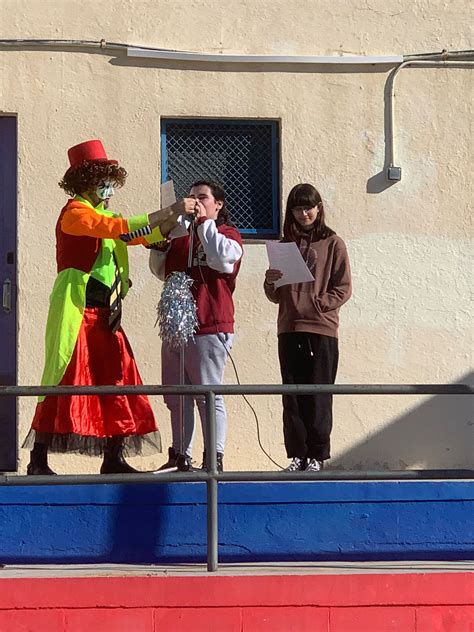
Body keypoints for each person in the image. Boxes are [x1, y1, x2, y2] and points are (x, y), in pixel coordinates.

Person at [24, 139, 196, 475]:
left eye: (109, 180)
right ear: (84, 181)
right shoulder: (74, 213)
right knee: (62, 378)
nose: (108, 188)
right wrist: (170, 210)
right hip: (77, 309)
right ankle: (38, 459)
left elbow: (139, 234)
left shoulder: (108, 215)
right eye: (101, 179)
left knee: (119, 377)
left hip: (107, 313)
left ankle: (113, 456)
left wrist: (172, 226)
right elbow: (115, 229)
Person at [149, 180, 243, 472]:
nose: (195, 201)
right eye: (191, 197)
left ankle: (213, 457)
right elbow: (160, 272)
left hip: (210, 325)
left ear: (218, 204)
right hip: (177, 327)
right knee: (177, 396)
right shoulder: (182, 235)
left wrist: (203, 222)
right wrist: (161, 246)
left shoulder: (227, 234)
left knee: (207, 395)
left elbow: (222, 259)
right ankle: (180, 455)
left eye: (203, 197)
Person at [264, 183, 352, 472]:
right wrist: (270, 281)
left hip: (322, 329)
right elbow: (275, 294)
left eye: (308, 207)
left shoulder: (333, 242)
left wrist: (320, 304)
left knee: (319, 394)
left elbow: (343, 287)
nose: (304, 214)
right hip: (288, 327)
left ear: (319, 208)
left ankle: (317, 456)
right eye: (297, 208)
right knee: (292, 395)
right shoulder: (284, 245)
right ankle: (297, 456)